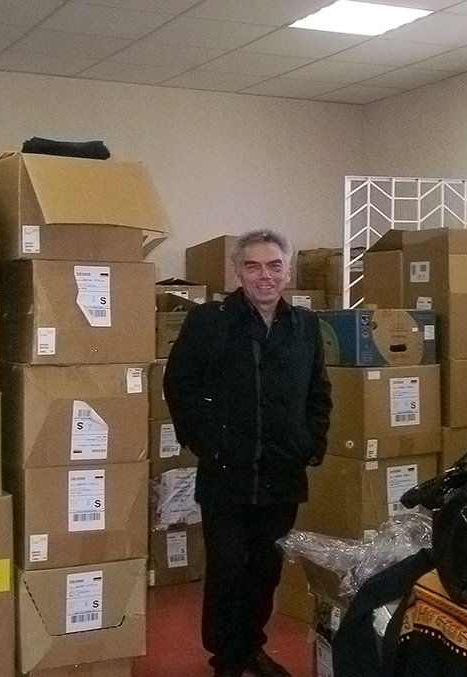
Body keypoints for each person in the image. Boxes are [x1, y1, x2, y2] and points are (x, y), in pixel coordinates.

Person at [164, 229, 333, 677]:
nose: (265, 276)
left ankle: (251, 647)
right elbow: (180, 385)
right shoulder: (209, 321)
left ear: (288, 272)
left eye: (274, 266)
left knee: (265, 569)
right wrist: (208, 442)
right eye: (253, 266)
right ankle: (227, 657)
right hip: (226, 472)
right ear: (237, 272)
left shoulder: (305, 327)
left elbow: (318, 392)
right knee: (227, 569)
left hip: (282, 473)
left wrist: (309, 443)